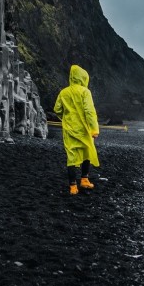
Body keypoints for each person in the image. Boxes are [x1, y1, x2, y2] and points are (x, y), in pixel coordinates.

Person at [54, 64, 100, 196]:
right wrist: (94, 129)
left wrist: (66, 118)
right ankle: (84, 179)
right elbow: (89, 111)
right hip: (84, 130)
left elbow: (57, 109)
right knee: (86, 153)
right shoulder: (85, 92)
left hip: (69, 129)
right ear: (83, 78)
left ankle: (73, 186)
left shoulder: (64, 92)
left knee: (71, 157)